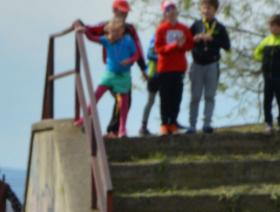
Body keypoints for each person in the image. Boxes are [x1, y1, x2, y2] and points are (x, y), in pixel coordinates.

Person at [76, 1, 148, 136]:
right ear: (114, 11)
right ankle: (112, 130)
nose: (125, 14)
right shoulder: (106, 26)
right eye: (122, 11)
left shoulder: (129, 30)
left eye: (126, 12)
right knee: (115, 98)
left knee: (125, 100)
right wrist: (81, 25)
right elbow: (92, 31)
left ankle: (117, 130)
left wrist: (144, 69)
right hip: (111, 72)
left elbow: (137, 50)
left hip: (124, 73)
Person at [187, 0, 230, 134]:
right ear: (201, 9)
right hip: (197, 65)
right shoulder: (196, 25)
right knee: (195, 96)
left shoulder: (219, 27)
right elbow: (186, 43)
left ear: (215, 10)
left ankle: (207, 124)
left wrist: (213, 40)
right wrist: (194, 39)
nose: (206, 11)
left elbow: (227, 46)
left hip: (212, 64)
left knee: (209, 96)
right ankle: (192, 125)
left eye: (209, 8)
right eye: (204, 8)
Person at [154, 1, 194, 137]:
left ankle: (173, 123)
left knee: (177, 97)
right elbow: (158, 49)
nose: (171, 12)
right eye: (168, 10)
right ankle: (164, 124)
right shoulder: (161, 29)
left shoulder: (184, 28)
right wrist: (174, 46)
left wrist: (182, 46)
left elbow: (190, 44)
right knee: (165, 97)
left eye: (173, 9)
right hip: (165, 68)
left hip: (179, 68)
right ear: (164, 13)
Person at [139, 36, 162, 136]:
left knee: (165, 101)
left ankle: (166, 125)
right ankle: (143, 126)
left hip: (165, 75)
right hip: (153, 75)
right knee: (150, 101)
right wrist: (163, 56)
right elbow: (150, 55)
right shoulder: (155, 38)